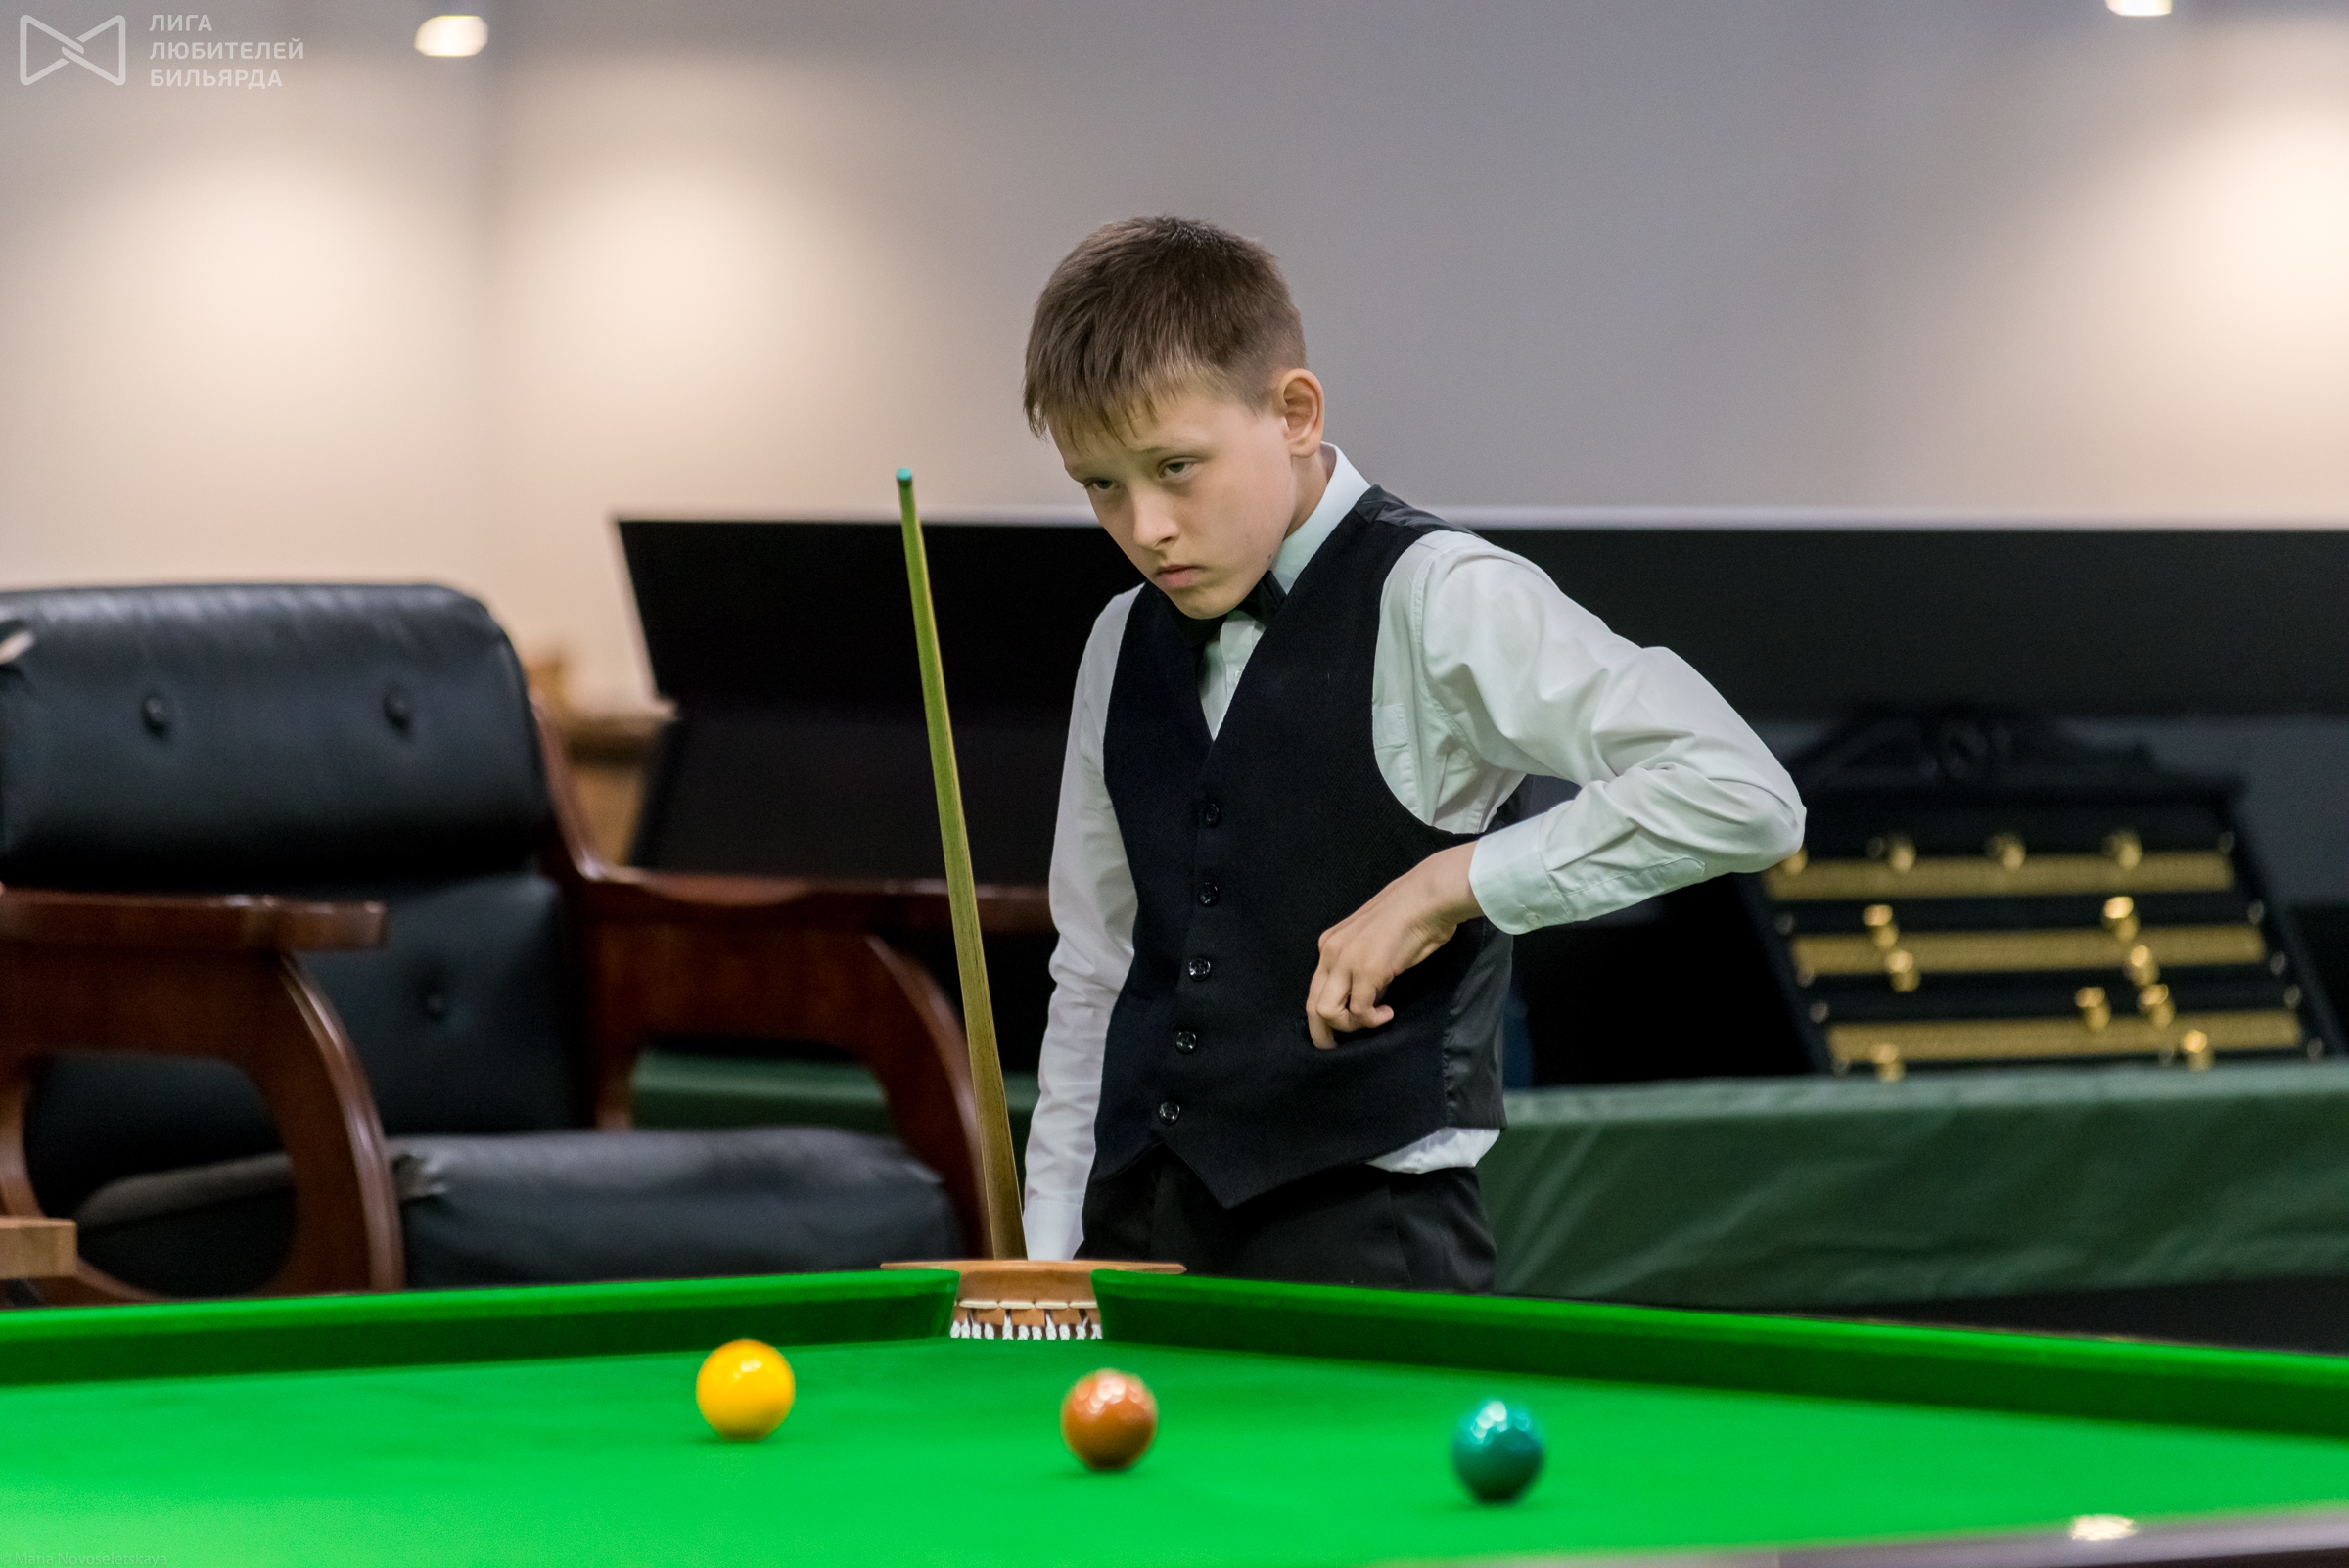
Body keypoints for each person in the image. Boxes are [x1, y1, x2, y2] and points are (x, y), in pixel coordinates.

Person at [1019, 215, 1804, 1292]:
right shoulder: (1119, 639)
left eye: (1175, 467)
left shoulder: (1443, 597)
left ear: (1295, 413)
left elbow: (1741, 790)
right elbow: (1097, 970)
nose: (1144, 525)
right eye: (1101, 484)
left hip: (1363, 1245)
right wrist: (1048, 1248)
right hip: (1128, 1233)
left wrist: (1450, 885)